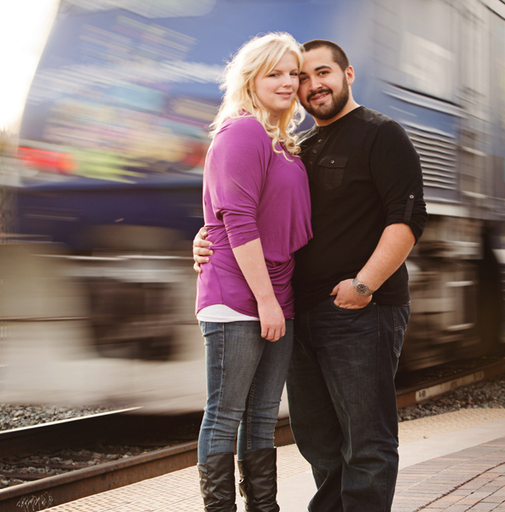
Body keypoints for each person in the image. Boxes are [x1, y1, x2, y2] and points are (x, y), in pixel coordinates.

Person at [195, 39, 427, 512]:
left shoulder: (381, 134)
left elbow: (405, 222)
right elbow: (246, 210)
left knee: (366, 441)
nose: (308, 84)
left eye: (322, 73)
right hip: (296, 310)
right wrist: (205, 238)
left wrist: (364, 286)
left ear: (348, 74)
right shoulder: (294, 144)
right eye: (301, 76)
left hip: (357, 312)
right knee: (317, 438)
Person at [194, 32, 312, 512]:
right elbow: (235, 219)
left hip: (274, 291)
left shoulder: (281, 141)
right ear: (250, 79)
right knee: (225, 415)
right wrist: (265, 301)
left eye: (293, 74)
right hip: (238, 295)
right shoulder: (241, 131)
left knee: (262, 417)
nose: (287, 83)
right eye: (274, 73)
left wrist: (274, 299)